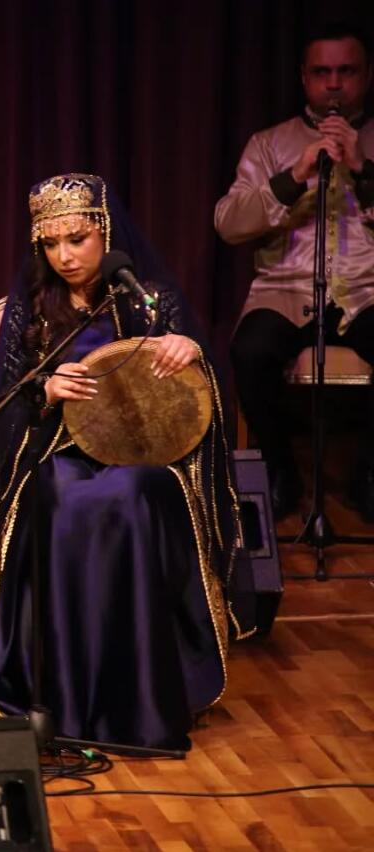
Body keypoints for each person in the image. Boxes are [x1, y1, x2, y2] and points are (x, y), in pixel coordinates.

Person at [0, 174, 240, 752]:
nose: (64, 256)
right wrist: (44, 390)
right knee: (61, 494)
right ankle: (65, 693)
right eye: (51, 244)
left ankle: (134, 697)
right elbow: (4, 408)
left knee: (131, 495)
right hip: (56, 451)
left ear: (106, 233)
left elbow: (203, 395)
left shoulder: (149, 300)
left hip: (147, 461)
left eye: (78, 239)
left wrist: (192, 351)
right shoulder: (33, 310)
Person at [216, 21, 374, 520]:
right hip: (285, 292)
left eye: (346, 71)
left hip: (367, 292)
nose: (334, 84)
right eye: (322, 72)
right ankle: (280, 470)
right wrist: (294, 177)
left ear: (367, 76)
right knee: (250, 352)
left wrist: (363, 168)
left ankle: (368, 474)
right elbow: (228, 223)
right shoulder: (269, 144)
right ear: (304, 78)